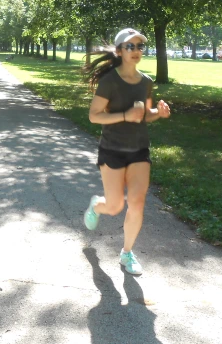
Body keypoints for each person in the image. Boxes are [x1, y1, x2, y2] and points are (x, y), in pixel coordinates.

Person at [82, 28, 171, 275]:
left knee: (137, 203)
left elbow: (145, 115)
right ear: (120, 51)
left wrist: (159, 114)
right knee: (114, 206)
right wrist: (124, 115)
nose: (135, 51)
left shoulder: (146, 82)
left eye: (140, 46)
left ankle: (127, 253)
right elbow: (93, 116)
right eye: (130, 46)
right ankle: (96, 205)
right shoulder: (109, 81)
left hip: (139, 150)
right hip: (112, 149)